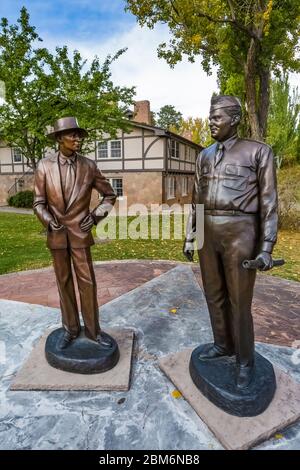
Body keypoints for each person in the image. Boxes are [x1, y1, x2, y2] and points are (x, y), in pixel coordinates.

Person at [183, 96, 278, 388]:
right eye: (210, 117)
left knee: (239, 302)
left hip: (241, 231)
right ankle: (222, 344)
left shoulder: (258, 152)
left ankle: (245, 361)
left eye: (217, 118)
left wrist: (266, 247)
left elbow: (269, 202)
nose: (211, 122)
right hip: (208, 233)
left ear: (234, 119)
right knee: (214, 294)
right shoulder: (204, 155)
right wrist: (191, 235)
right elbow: (195, 200)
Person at [33, 117, 117, 350]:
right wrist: (49, 221)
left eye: (79, 135)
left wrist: (96, 216)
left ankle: (93, 331)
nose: (78, 139)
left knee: (88, 283)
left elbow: (109, 195)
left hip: (81, 233)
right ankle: (69, 329)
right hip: (57, 234)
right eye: (72, 135)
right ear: (60, 138)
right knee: (64, 283)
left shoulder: (89, 166)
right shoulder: (44, 166)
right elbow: (38, 203)